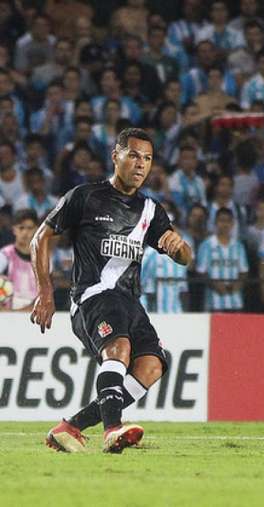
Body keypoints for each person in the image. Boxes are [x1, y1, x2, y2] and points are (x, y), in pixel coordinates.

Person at [31, 128, 193, 453]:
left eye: (147, 158)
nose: (140, 164)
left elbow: (184, 257)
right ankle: (113, 430)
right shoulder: (85, 196)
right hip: (92, 297)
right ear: (115, 156)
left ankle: (71, 427)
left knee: (153, 365)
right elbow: (40, 238)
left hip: (130, 303)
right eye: (133, 155)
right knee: (117, 349)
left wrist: (179, 248)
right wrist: (46, 292)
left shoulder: (151, 211)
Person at [196, 208, 249, 312]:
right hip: (213, 303)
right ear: (216, 222)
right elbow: (201, 272)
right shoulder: (206, 245)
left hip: (235, 302)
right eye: (221, 220)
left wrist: (237, 285)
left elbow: (244, 271)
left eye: (228, 221)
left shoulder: (238, 246)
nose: (225, 224)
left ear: (232, 223)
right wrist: (215, 285)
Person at [0, 209, 38, 310]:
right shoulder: (4, 256)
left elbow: (47, 291)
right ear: (14, 230)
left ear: (36, 229)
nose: (25, 232)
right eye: (21, 228)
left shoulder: (42, 259)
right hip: (5, 317)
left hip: (34, 317)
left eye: (30, 228)